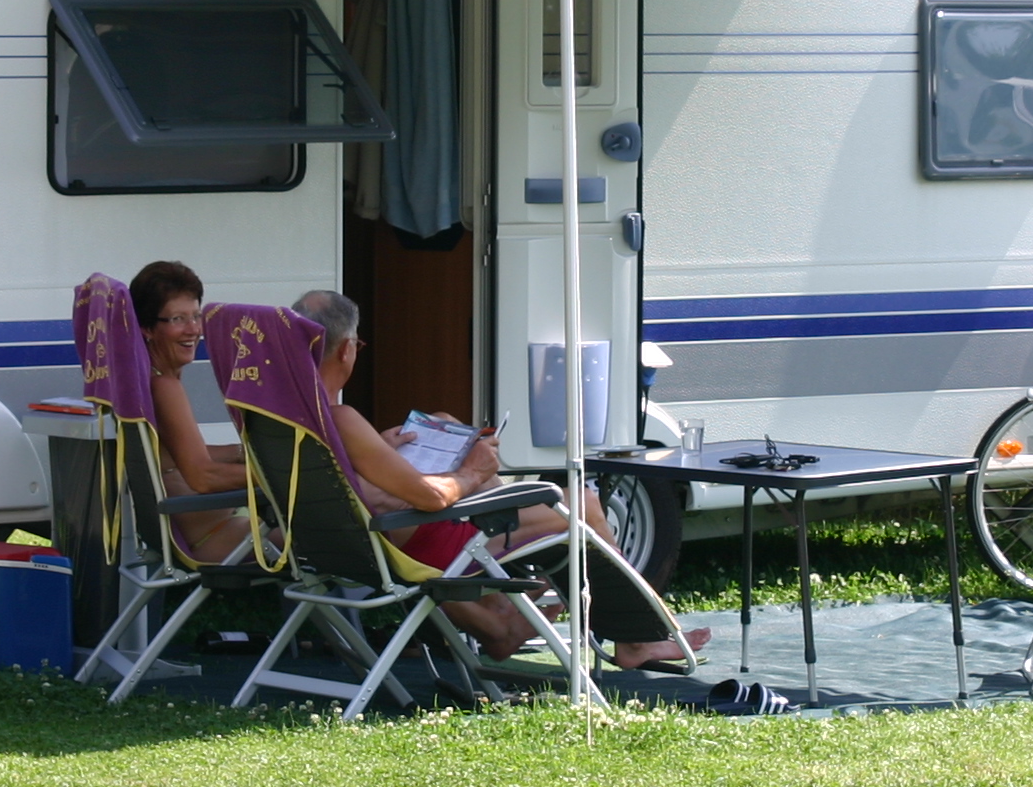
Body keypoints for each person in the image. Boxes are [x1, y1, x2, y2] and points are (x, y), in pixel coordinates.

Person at [291, 289, 701, 673]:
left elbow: (351, 488)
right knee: (585, 505)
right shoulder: (341, 419)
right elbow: (418, 499)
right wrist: (472, 473)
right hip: (413, 541)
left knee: (447, 426)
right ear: (346, 349)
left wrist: (380, 449)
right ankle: (637, 641)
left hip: (352, 545)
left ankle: (500, 618)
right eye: (357, 346)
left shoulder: (287, 414)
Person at [130, 259, 253, 563]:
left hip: (219, 532)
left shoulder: (148, 380)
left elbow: (180, 455)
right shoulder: (164, 388)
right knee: (339, 528)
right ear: (147, 327)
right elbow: (203, 477)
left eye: (197, 316)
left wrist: (242, 452)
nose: (194, 330)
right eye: (177, 319)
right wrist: (287, 477)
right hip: (222, 538)